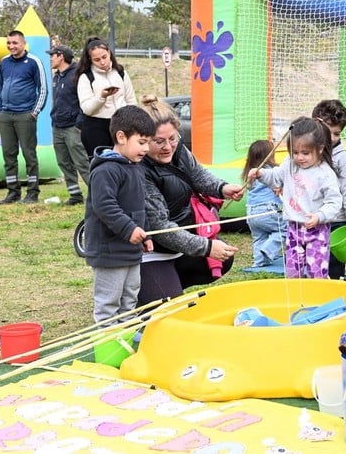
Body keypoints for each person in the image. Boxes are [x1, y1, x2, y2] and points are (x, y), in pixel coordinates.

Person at [138, 95, 243, 306]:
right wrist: (206, 247)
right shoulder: (140, 171)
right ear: (143, 140)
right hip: (152, 252)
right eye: (159, 142)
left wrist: (222, 188)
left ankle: (166, 284)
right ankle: (147, 288)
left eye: (173, 138)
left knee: (223, 258)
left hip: (178, 246)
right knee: (167, 312)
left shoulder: (179, 150)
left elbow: (198, 175)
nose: (168, 146)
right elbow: (161, 228)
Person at [84, 105, 155, 325]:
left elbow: (139, 207)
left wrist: (145, 234)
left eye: (148, 143)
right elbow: (104, 206)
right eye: (141, 142)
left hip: (131, 250)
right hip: (109, 251)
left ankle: (127, 334)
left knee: (130, 298)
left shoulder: (136, 167)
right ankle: (108, 339)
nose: (146, 148)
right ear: (121, 137)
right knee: (109, 302)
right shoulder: (106, 170)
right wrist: (129, 229)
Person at [248, 117, 342, 279]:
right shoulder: (290, 163)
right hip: (294, 228)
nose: (299, 157)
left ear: (320, 149)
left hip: (317, 230)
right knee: (292, 271)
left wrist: (319, 216)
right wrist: (261, 173)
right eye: (295, 152)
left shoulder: (326, 174)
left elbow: (334, 202)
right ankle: (294, 293)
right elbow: (276, 177)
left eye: (305, 153)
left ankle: (317, 292)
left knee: (316, 271)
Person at [0, 30, 47, 205]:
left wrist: (34, 112)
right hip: (5, 114)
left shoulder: (33, 62)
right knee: (8, 155)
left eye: (15, 43)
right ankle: (13, 192)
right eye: (8, 43)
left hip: (25, 115)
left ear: (23, 44)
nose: (11, 46)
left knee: (29, 154)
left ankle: (32, 192)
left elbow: (43, 88)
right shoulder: (4, 62)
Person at [311, 99, 346, 278]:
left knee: (334, 260)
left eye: (337, 133)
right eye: (327, 132)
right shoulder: (309, 153)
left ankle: (335, 284)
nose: (331, 138)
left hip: (336, 218)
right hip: (315, 217)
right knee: (315, 257)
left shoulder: (342, 158)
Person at [76, 37, 137, 157]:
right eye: (97, 60)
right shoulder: (85, 77)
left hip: (121, 123)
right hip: (96, 127)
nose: (102, 62)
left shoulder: (120, 72)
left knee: (125, 160)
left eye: (104, 57)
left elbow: (131, 100)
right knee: (101, 163)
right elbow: (87, 109)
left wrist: (133, 121)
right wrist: (101, 97)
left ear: (109, 53)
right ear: (90, 59)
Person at [48, 44, 90, 205]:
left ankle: (97, 194)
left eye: (53, 55)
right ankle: (75, 195)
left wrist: (79, 124)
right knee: (63, 162)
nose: (50, 59)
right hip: (57, 126)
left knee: (82, 162)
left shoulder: (77, 75)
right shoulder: (56, 76)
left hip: (73, 127)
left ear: (61, 56)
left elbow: (84, 101)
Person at [241, 139, 287, 268]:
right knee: (285, 229)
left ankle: (259, 262)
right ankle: (268, 249)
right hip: (268, 210)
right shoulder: (271, 171)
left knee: (259, 237)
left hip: (251, 213)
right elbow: (280, 181)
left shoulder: (249, 174)